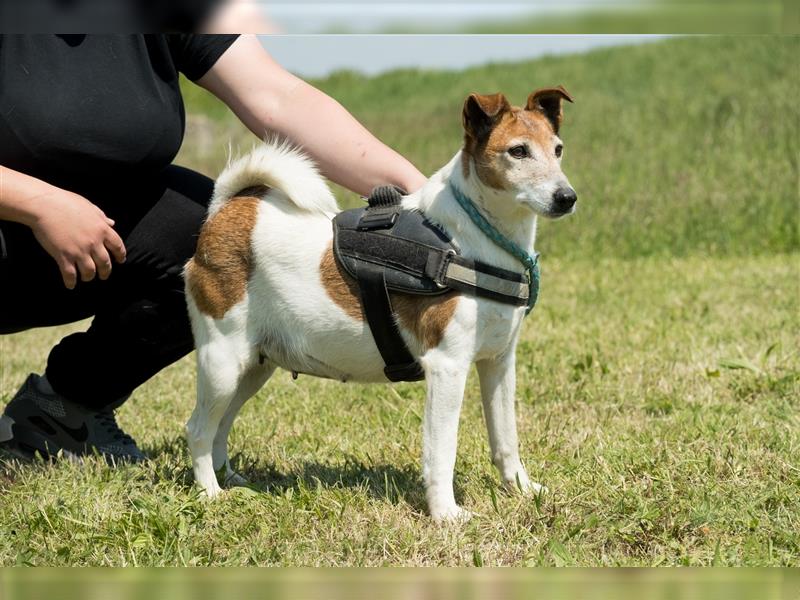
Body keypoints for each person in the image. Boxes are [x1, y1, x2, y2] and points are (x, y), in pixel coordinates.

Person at [0, 34, 427, 463]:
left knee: (209, 235)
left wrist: (421, 199)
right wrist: (37, 205)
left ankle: (62, 409)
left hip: (97, 231)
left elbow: (276, 97)